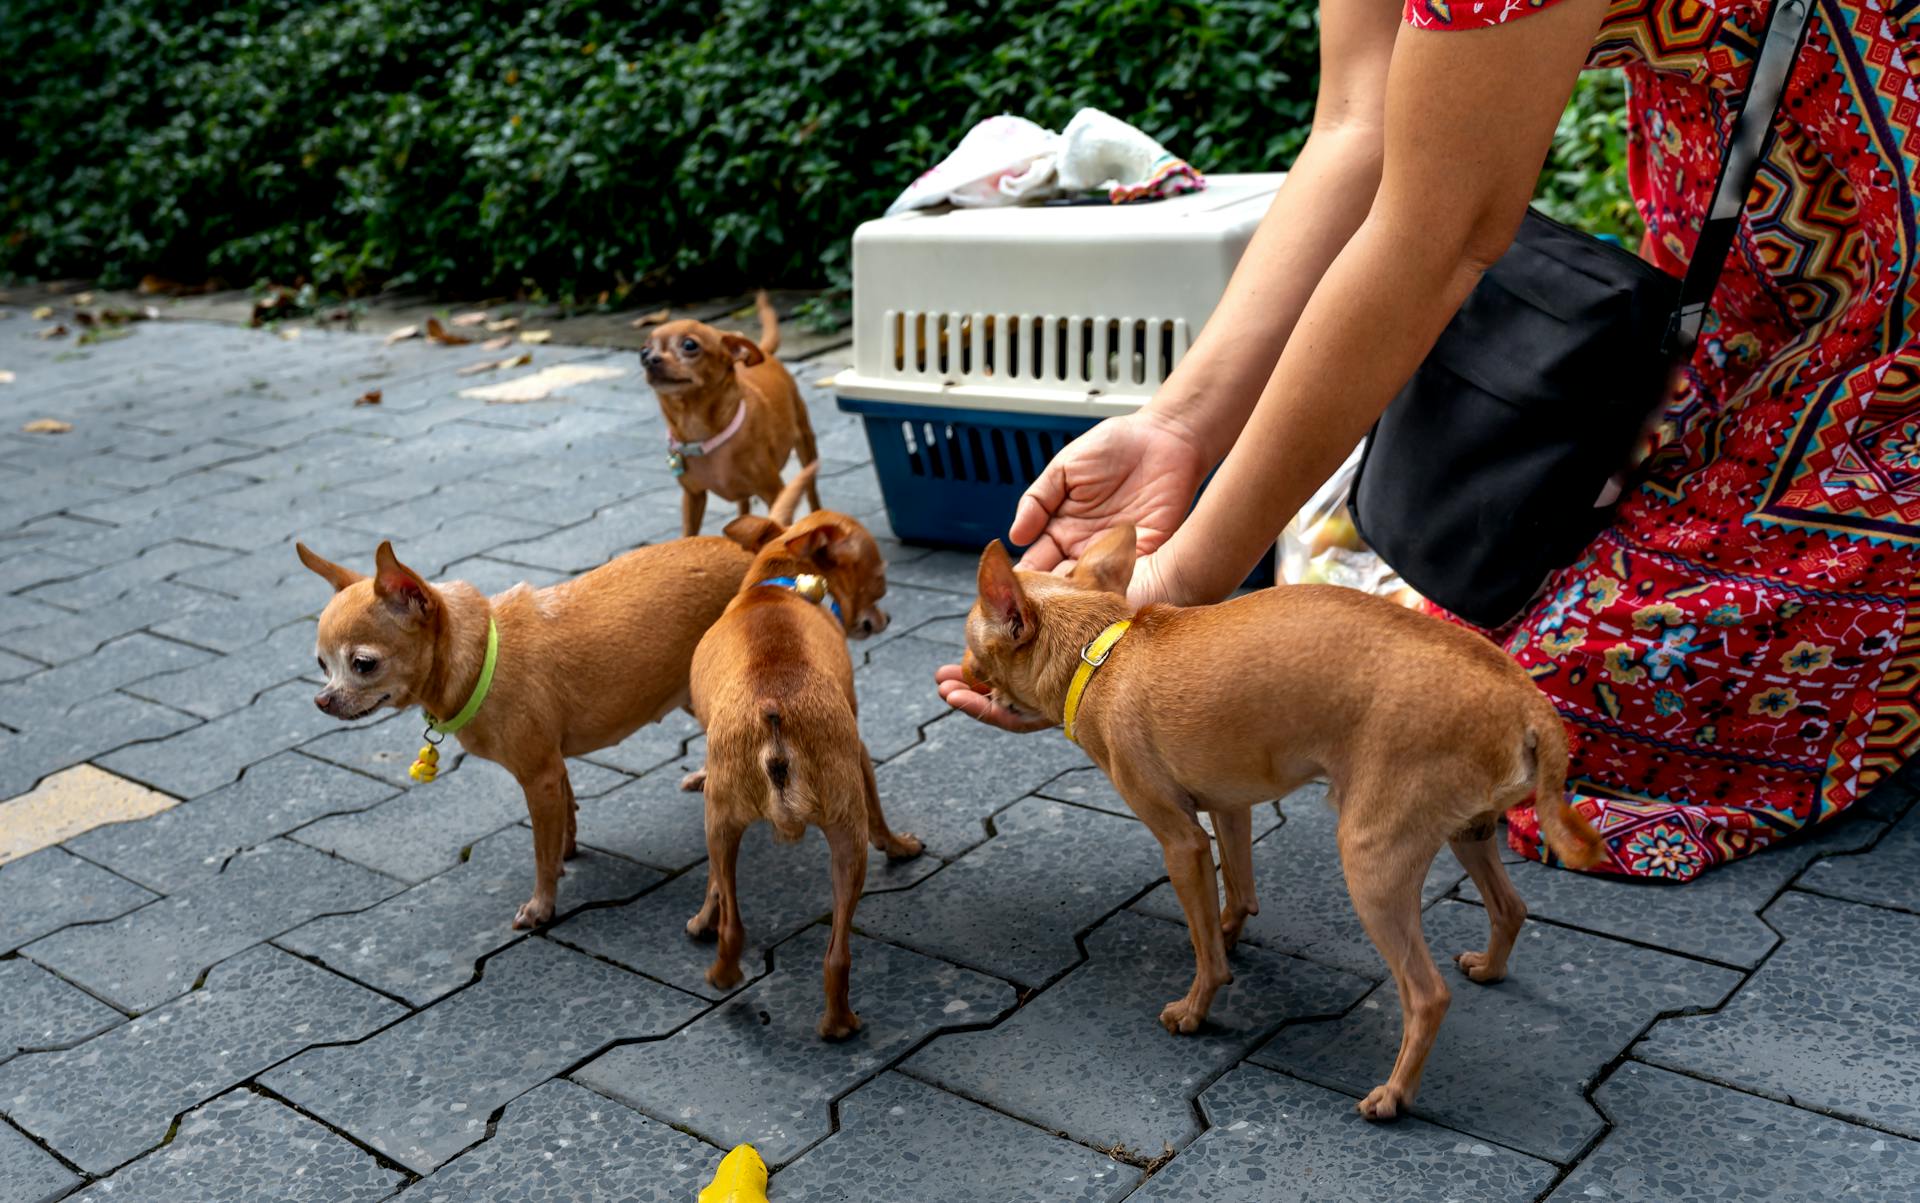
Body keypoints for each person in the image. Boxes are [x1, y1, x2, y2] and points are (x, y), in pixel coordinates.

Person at [938, 0, 1920, 880]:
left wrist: (1183, 583)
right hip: (1745, 195)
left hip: (1885, 209)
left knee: (1540, 718)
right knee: (1440, 669)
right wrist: (1179, 427)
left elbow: (1440, 236)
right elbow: (1361, 127)